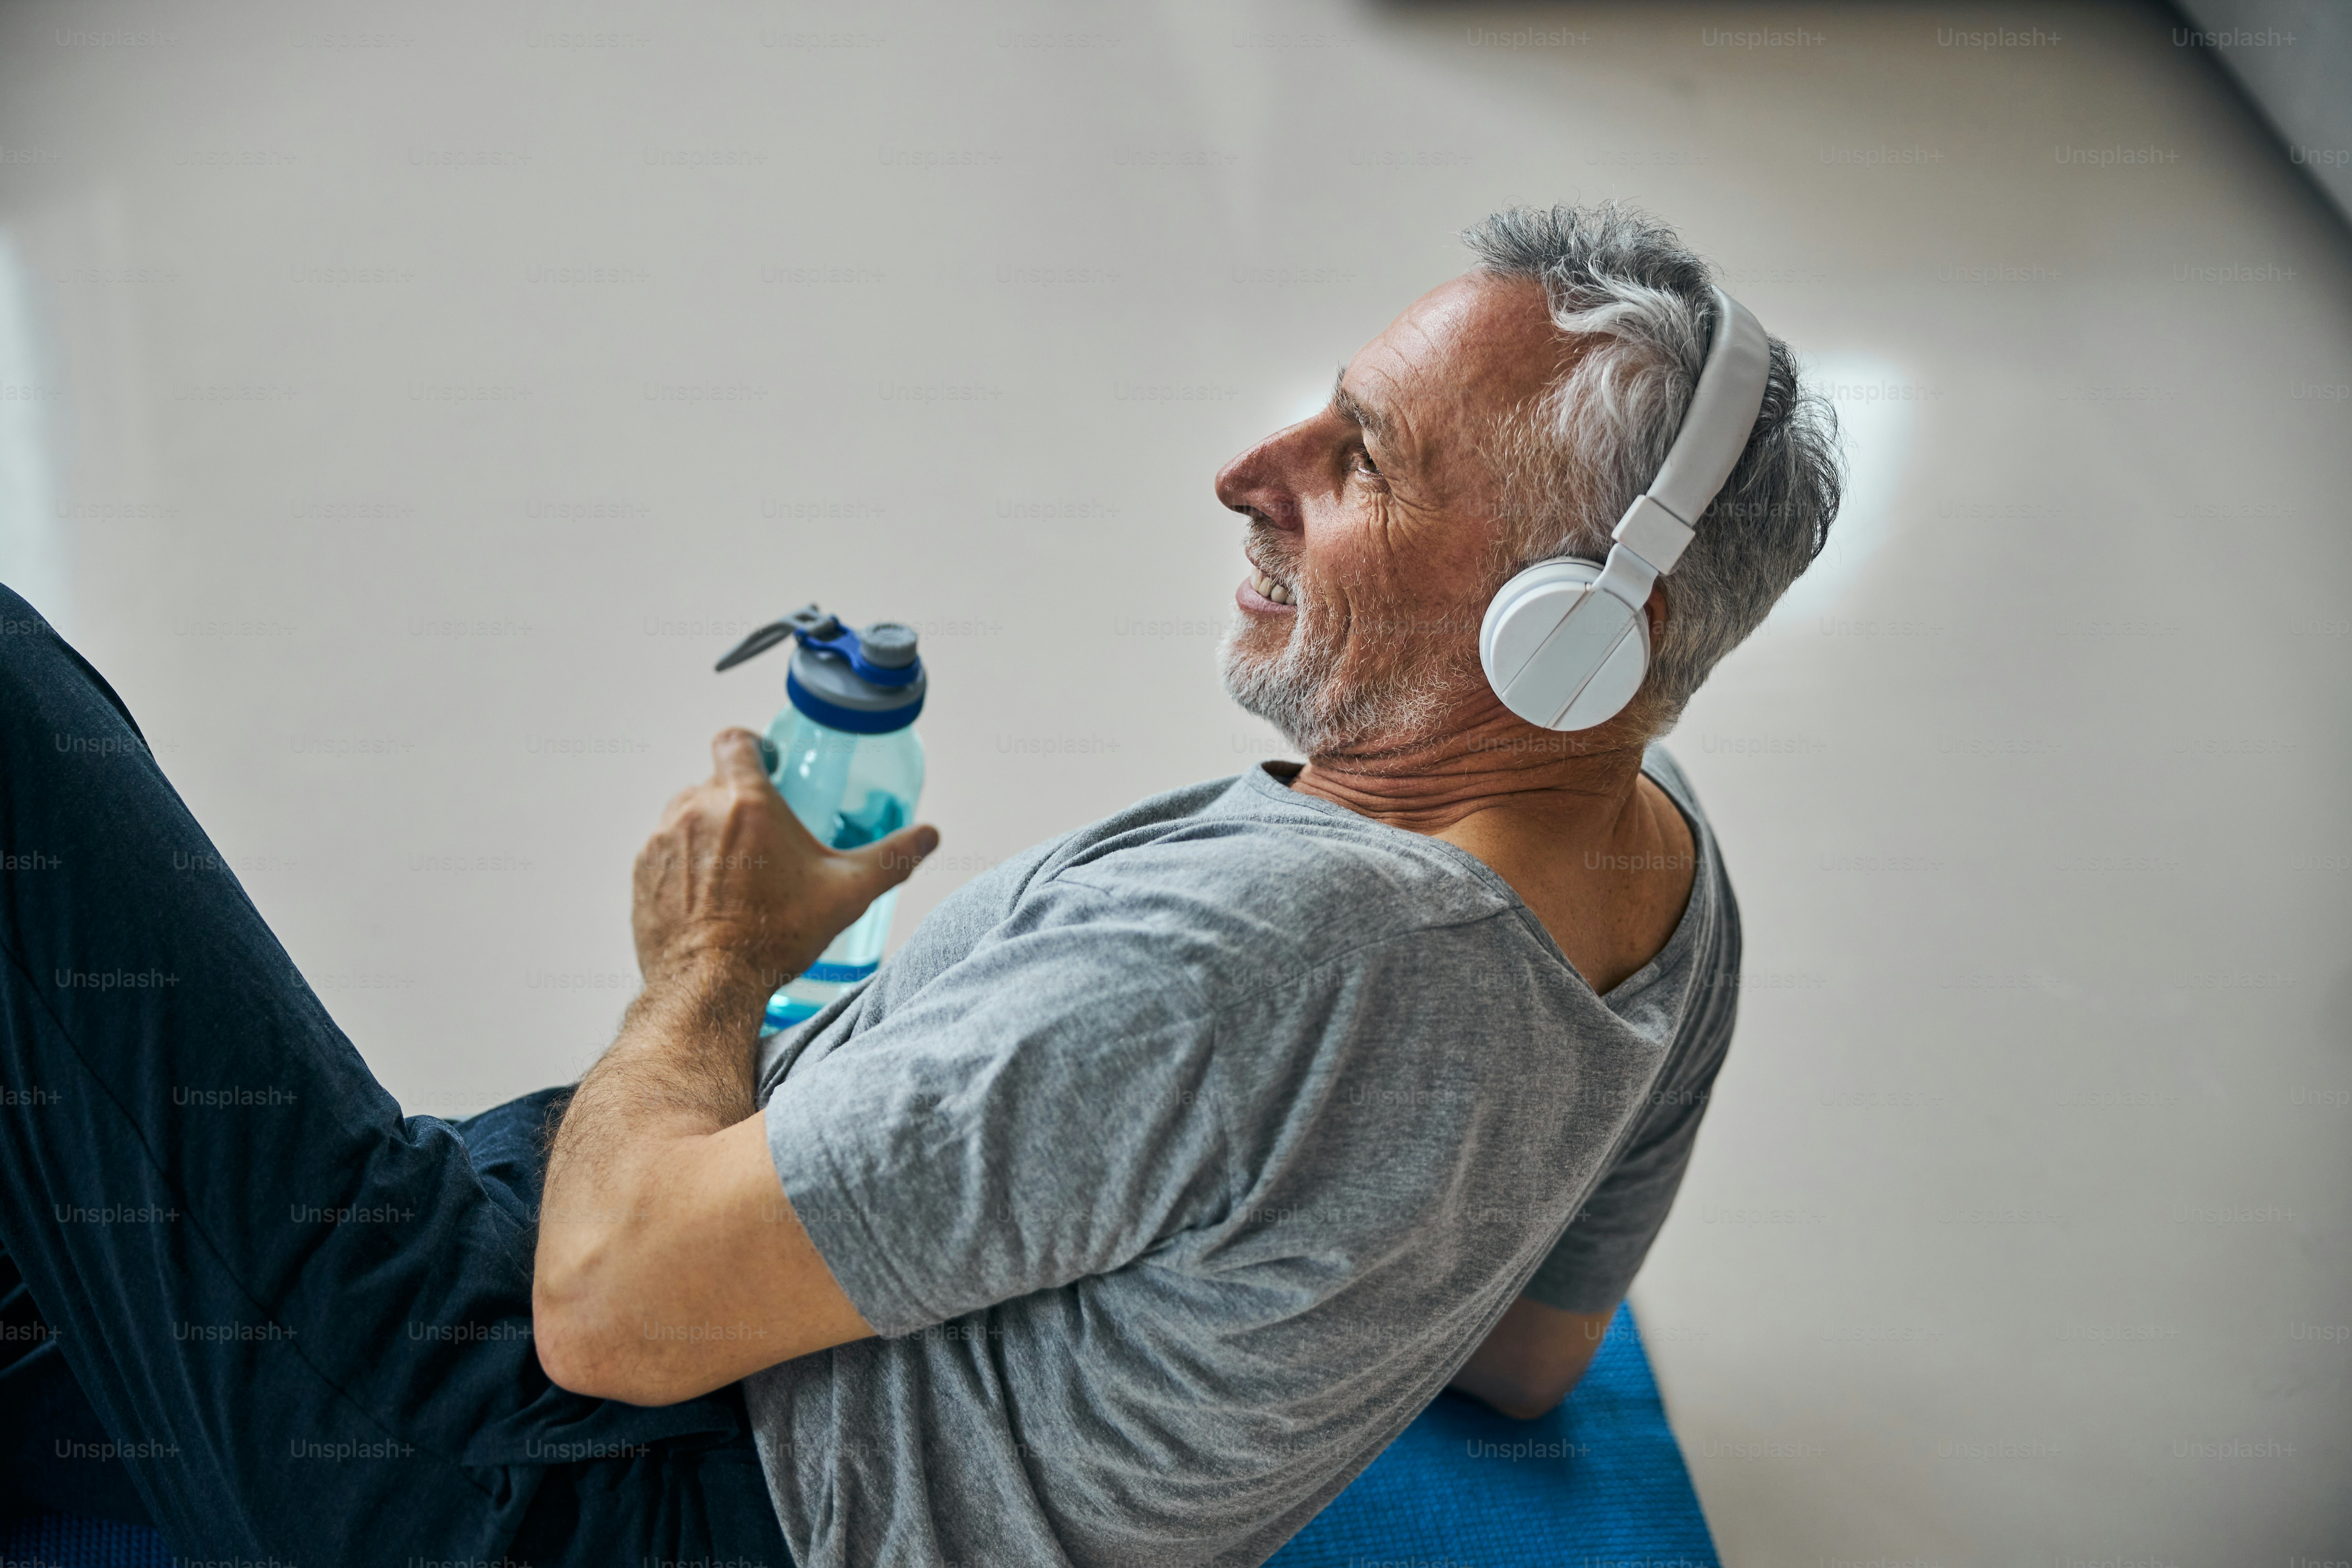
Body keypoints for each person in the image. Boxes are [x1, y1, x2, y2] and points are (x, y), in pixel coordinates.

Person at [0, 201, 1839, 1568]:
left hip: (545, 1469)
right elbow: (1530, 1358)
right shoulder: (1667, 876)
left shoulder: (1265, 958)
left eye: (1364, 464)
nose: (1247, 475)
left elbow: (610, 1310)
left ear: (1589, 630)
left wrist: (709, 966)